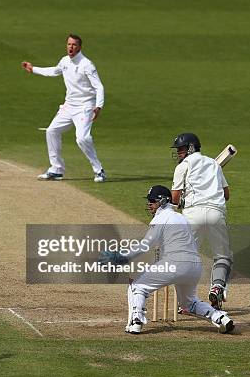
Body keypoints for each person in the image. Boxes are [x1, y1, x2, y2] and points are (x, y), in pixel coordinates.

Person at [98, 185, 235, 335]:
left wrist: (121, 257)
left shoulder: (161, 217)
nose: (149, 204)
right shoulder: (181, 218)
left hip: (174, 263)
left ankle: (135, 322)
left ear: (162, 201)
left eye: (152, 201)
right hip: (194, 266)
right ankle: (220, 317)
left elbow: (146, 244)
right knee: (188, 304)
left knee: (137, 286)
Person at [21, 34, 106, 182]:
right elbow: (54, 71)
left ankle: (99, 170)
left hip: (85, 107)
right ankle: (56, 169)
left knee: (82, 138)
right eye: (68, 44)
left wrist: (98, 106)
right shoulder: (65, 61)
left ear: (79, 47)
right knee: (52, 131)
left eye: (74, 45)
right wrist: (33, 69)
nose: (70, 47)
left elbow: (99, 86)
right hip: (69, 106)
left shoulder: (87, 64)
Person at [170, 133, 232, 309]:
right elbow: (226, 195)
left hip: (192, 215)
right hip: (216, 213)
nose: (179, 153)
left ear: (190, 148)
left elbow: (174, 199)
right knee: (222, 256)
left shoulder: (183, 166)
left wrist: (181, 201)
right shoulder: (214, 164)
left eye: (181, 149)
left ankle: (187, 302)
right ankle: (218, 286)